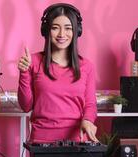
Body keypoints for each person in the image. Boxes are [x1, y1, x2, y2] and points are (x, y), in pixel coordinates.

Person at [17, 3, 98, 143]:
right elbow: (26, 106)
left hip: (76, 141)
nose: (62, 34)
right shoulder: (34, 62)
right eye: (55, 28)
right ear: (46, 30)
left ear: (76, 31)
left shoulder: (87, 66)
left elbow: (90, 104)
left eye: (68, 28)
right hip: (41, 142)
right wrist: (24, 72)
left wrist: (88, 120)